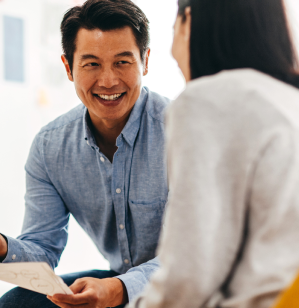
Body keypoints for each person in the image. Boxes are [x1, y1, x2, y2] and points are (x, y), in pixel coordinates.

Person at [51, 0, 299, 307]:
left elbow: (188, 275)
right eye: (92, 64)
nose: (108, 80)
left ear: (189, 21)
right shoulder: (289, 98)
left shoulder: (203, 103)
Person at [0, 0, 170, 307]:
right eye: (92, 64)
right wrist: (0, 244)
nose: (108, 80)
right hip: (117, 281)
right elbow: (42, 250)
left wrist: (120, 289)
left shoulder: (184, 133)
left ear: (145, 62)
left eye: (122, 62)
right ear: (69, 67)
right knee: (15, 304)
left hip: (189, 286)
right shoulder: (50, 147)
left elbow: (199, 254)